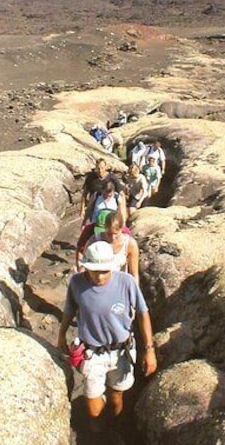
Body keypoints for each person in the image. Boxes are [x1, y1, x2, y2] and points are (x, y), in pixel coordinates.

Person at [58, 242, 157, 428]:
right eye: (96, 271)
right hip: (92, 353)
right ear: (86, 266)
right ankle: (99, 431)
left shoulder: (126, 282)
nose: (101, 276)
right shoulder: (77, 283)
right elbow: (70, 310)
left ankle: (113, 429)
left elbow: (143, 313)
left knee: (116, 398)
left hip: (121, 353)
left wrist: (149, 349)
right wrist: (61, 334)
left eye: (105, 271)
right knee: (94, 409)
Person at [86, 211, 140, 285]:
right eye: (109, 233)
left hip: (119, 286)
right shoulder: (94, 241)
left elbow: (134, 274)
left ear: (122, 229)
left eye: (115, 234)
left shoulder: (130, 244)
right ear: (104, 228)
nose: (112, 237)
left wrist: (135, 292)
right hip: (97, 285)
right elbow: (86, 266)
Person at [80, 158, 124, 224]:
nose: (100, 171)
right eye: (98, 168)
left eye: (102, 168)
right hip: (94, 206)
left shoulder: (112, 178)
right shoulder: (91, 177)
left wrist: (122, 213)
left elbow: (121, 194)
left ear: (106, 167)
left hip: (109, 206)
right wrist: (82, 209)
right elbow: (84, 193)